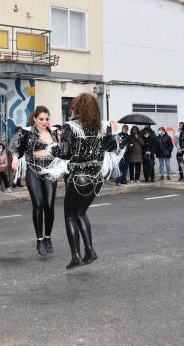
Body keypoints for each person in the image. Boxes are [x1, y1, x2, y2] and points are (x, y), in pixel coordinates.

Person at [42, 93, 120, 269]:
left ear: (77, 108)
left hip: (79, 178)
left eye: (73, 107)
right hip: (97, 179)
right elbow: (111, 147)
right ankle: (90, 251)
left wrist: (51, 144)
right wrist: (113, 133)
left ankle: (76, 256)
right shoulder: (102, 126)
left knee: (70, 215)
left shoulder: (70, 126)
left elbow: (65, 153)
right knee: (81, 213)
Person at [11, 106, 60, 256]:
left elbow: (61, 151)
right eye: (41, 119)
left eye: (47, 119)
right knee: (38, 204)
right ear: (34, 118)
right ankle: (39, 240)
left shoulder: (53, 132)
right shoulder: (26, 132)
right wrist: (14, 158)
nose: (44, 122)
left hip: (50, 171)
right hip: (34, 170)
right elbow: (17, 147)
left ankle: (48, 238)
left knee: (49, 206)